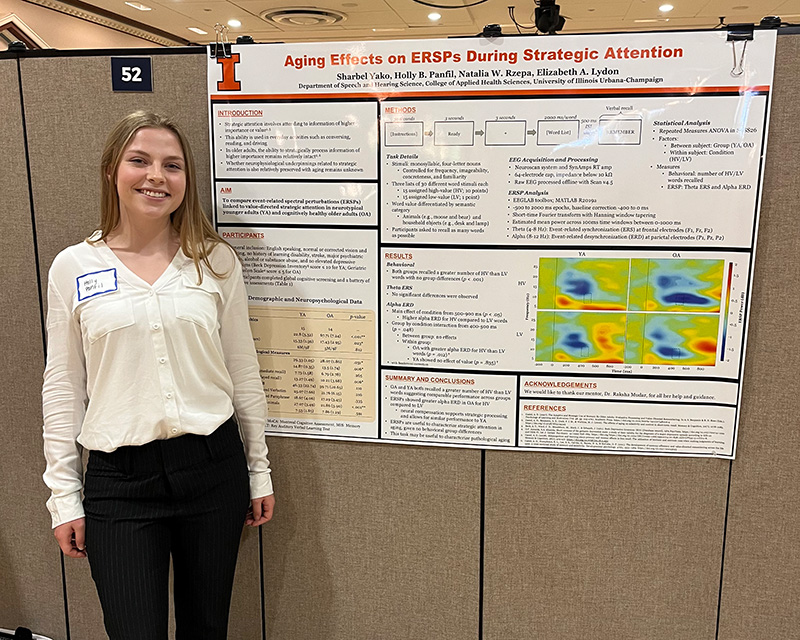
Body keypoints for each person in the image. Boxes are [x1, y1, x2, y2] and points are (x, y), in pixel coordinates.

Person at [41, 111, 274, 640]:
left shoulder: (213, 261)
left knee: (206, 626)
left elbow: (242, 369)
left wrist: (258, 470)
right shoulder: (73, 266)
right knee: (133, 629)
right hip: (120, 481)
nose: (156, 176)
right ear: (111, 171)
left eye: (172, 165)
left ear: (186, 180)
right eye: (139, 160)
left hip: (212, 467)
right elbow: (62, 387)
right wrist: (63, 496)